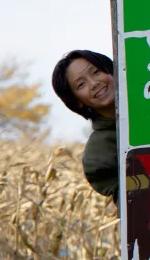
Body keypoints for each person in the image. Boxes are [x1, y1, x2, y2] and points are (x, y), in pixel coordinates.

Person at [51, 50, 119, 205]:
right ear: (77, 101)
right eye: (81, 84)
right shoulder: (98, 154)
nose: (94, 83)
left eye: (96, 72)